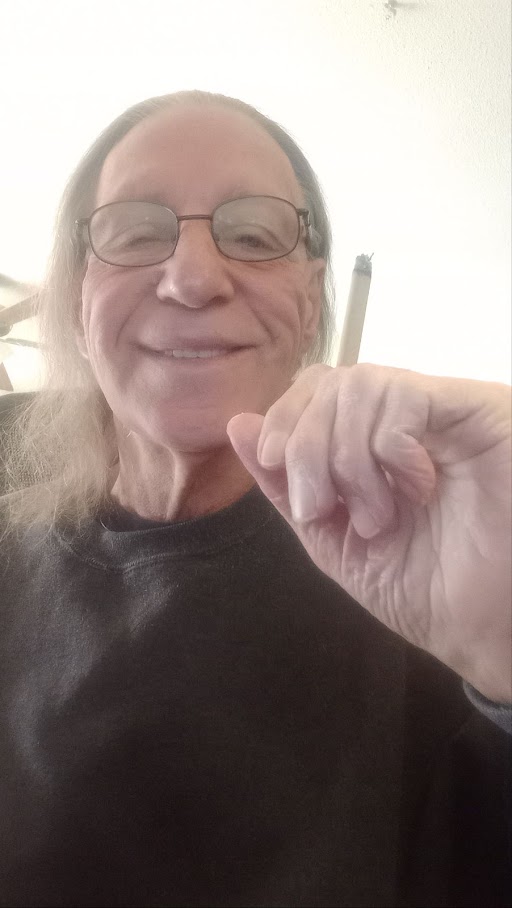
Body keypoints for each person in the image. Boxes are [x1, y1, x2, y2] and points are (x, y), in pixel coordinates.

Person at [0, 90, 510, 908]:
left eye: (253, 235)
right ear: (76, 296)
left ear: (310, 300)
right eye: (136, 231)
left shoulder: (425, 574)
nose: (195, 278)